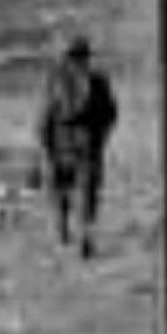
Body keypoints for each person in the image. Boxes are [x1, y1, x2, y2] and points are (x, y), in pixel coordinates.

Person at [38, 36, 118, 258]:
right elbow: (111, 113)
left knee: (60, 187)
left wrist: (45, 144)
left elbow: (45, 115)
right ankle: (85, 234)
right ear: (86, 56)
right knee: (88, 192)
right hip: (89, 142)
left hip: (61, 141)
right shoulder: (98, 80)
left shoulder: (54, 79)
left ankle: (63, 225)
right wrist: (101, 138)